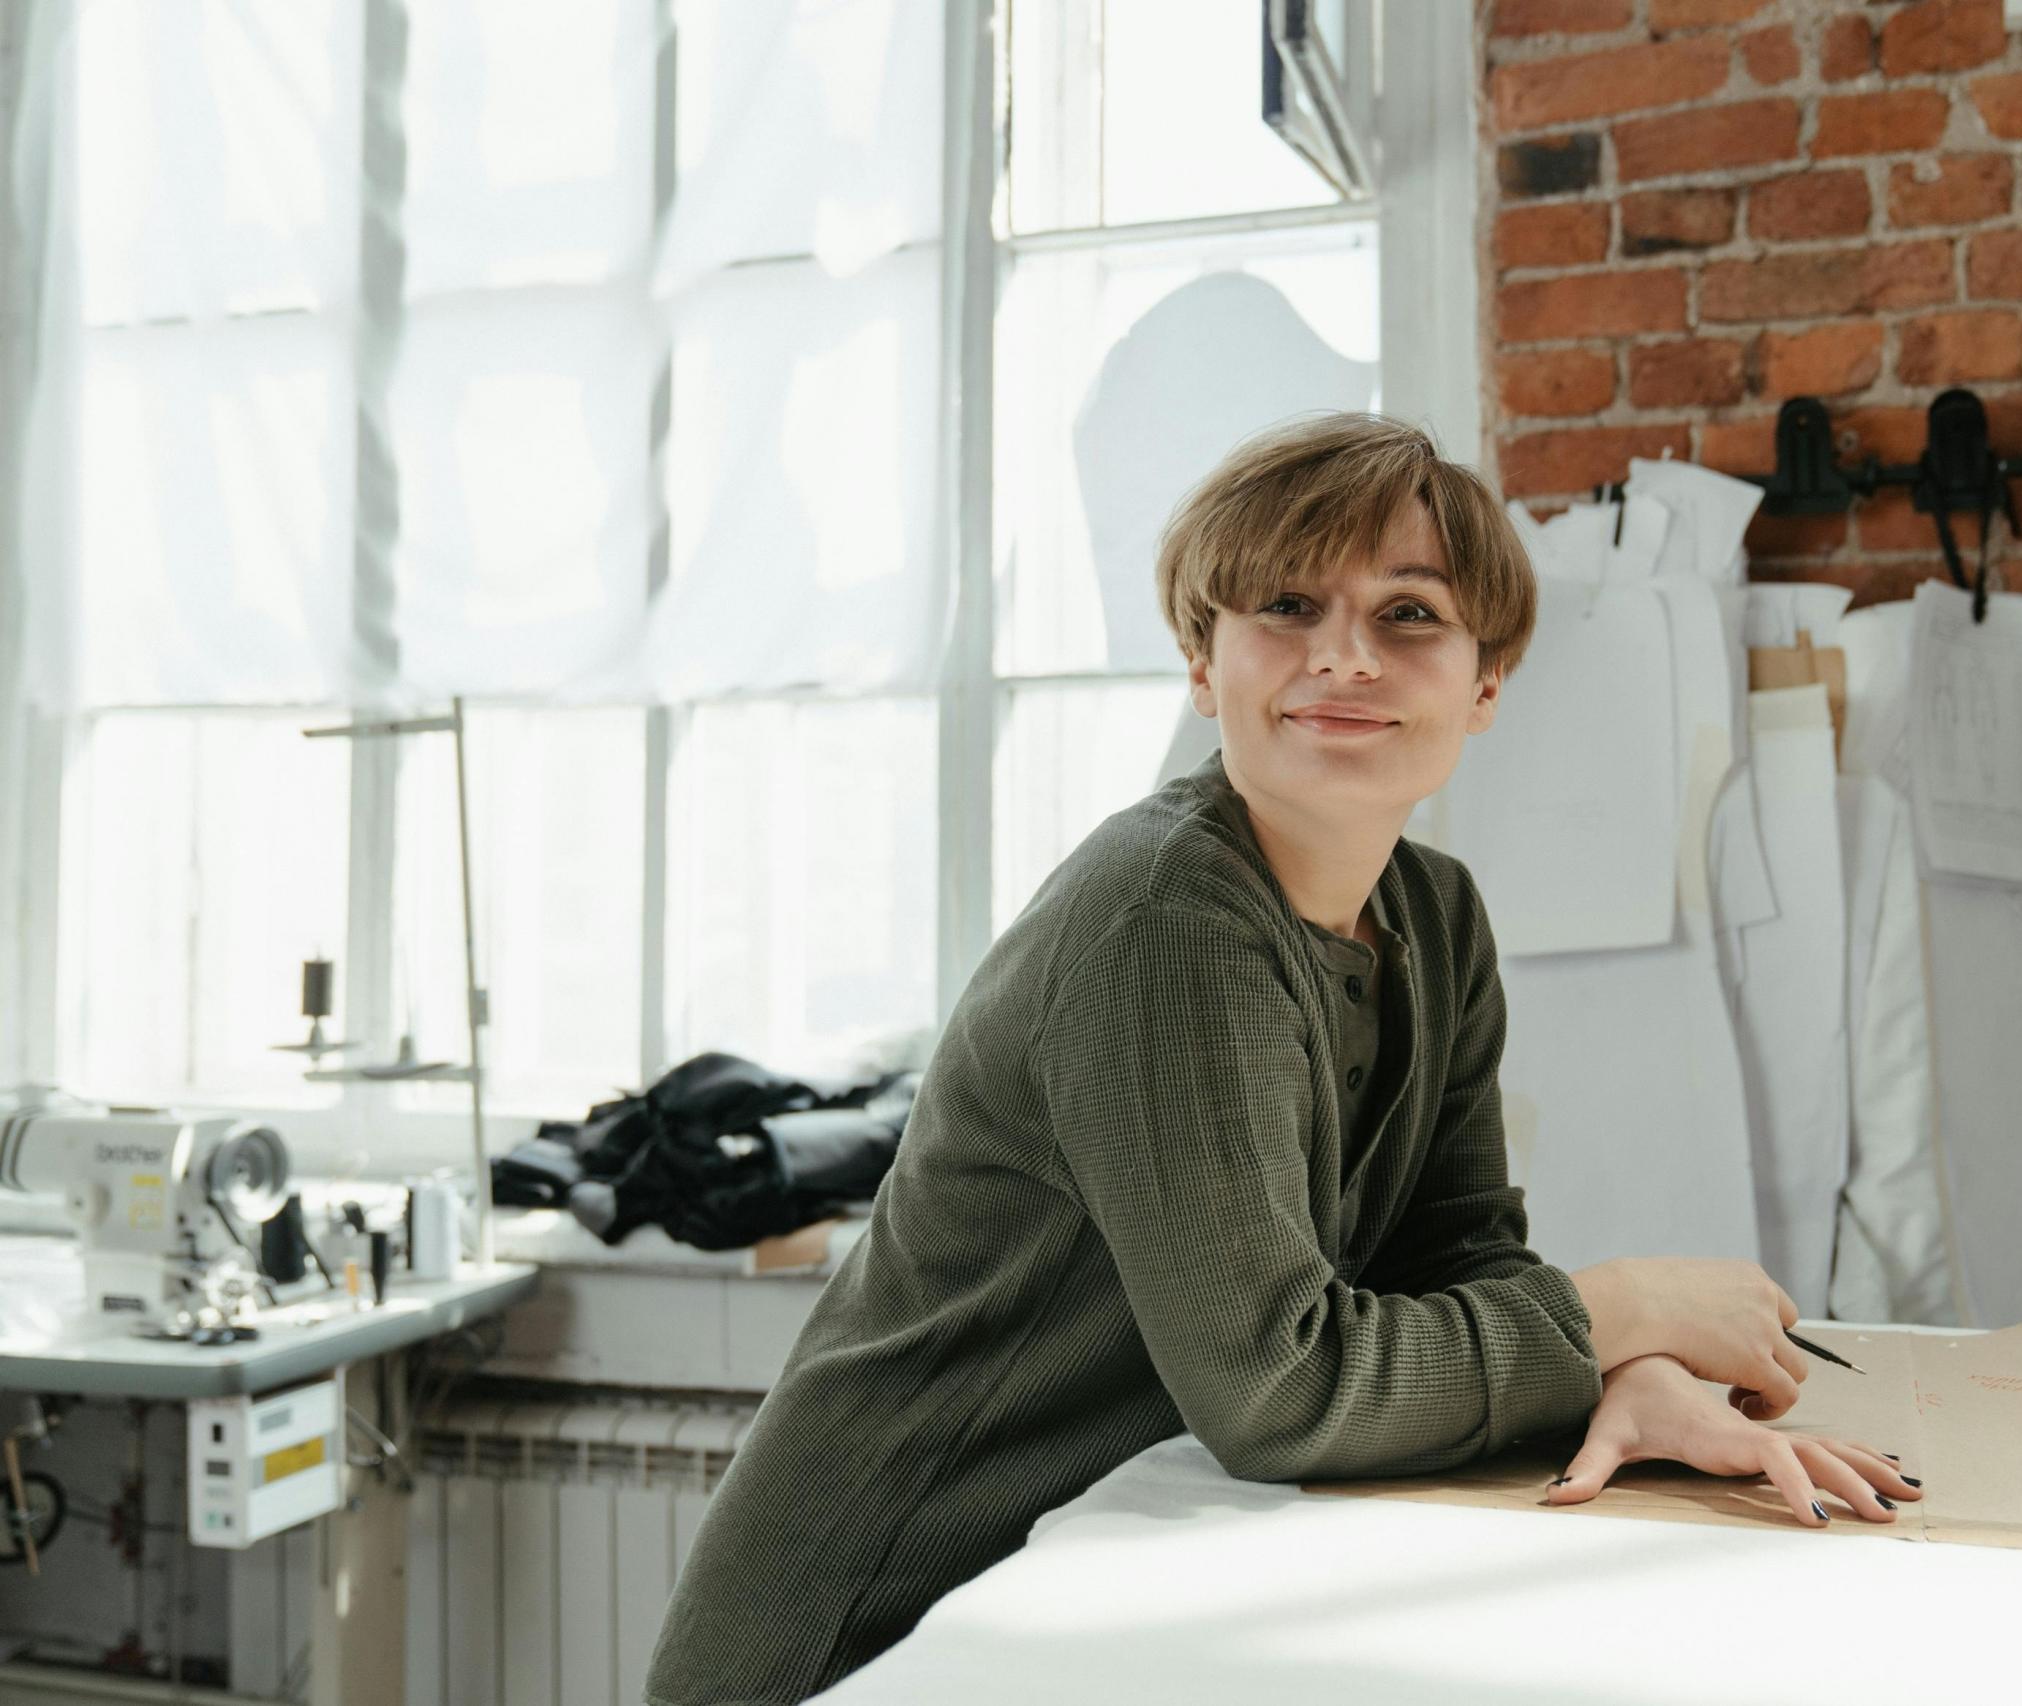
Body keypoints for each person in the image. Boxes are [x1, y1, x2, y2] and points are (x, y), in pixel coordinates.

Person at [645, 412, 1918, 1705]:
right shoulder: (1166, 918)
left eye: (1410, 613)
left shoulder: (1436, 917)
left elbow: (1454, 1250)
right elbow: (1279, 1383)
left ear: (1486, 684)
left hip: (1064, 1609)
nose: (1347, 657)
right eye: (1289, 604)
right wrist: (1624, 1307)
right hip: (863, 1625)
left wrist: (1631, 1375)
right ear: (1205, 663)